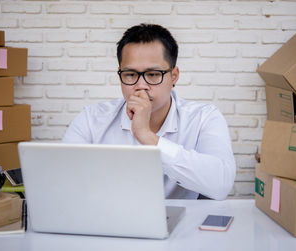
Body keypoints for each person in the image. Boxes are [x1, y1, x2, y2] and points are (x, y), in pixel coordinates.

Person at [62, 24, 236, 200]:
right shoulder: (92, 118)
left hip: (181, 224)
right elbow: (62, 180)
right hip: (106, 220)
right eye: (130, 74)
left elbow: (220, 185)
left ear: (174, 76)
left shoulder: (203, 117)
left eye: (153, 74)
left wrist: (146, 136)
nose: (141, 86)